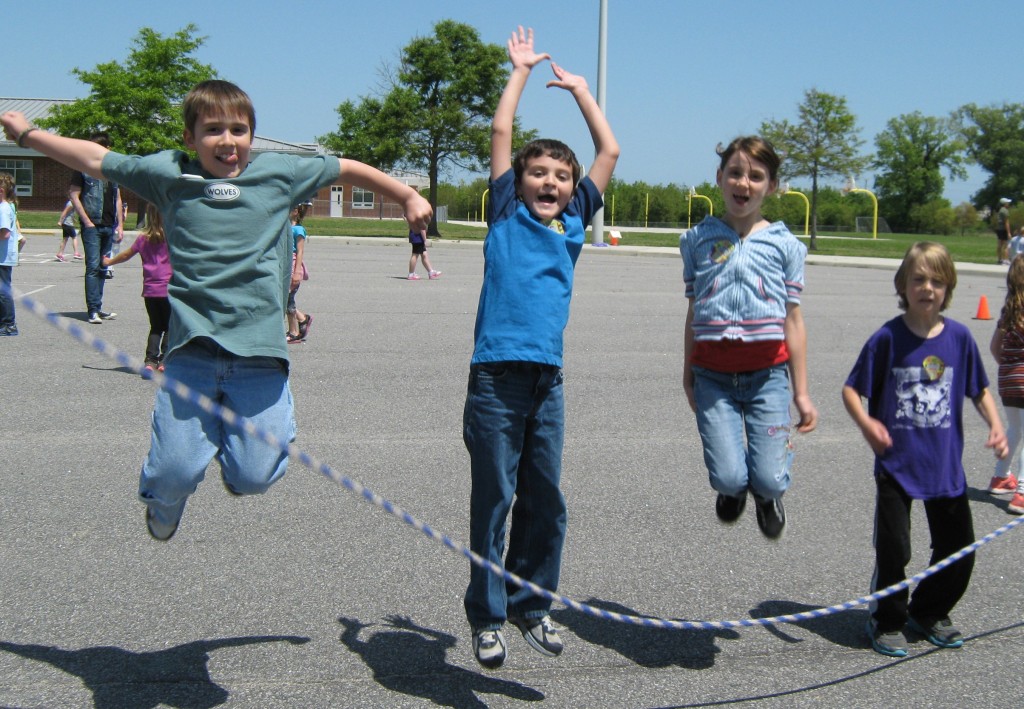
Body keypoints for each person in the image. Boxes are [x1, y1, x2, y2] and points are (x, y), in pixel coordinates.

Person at [1, 79, 432, 542]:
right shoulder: (168, 174)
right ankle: (162, 503)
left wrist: (406, 195)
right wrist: (27, 135)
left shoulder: (279, 173)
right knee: (175, 471)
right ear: (189, 138)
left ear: (251, 135)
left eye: (239, 129)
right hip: (193, 354)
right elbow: (94, 160)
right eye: (212, 130)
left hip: (260, 356)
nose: (227, 141)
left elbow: (346, 168)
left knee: (254, 476)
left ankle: (239, 462)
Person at [462, 27, 619, 670]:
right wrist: (520, 72)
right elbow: (501, 134)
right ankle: (488, 617)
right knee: (495, 498)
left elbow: (608, 148)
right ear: (519, 181)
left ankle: (533, 607)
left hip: (547, 381)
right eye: (538, 173)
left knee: (546, 500)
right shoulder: (506, 212)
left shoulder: (576, 221)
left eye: (560, 175)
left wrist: (582, 91)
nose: (549, 182)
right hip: (496, 380)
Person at [842, 242, 1008, 658]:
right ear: (903, 284)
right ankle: (886, 619)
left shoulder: (959, 338)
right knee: (895, 548)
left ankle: (929, 612)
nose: (927, 288)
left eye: (936, 280)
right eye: (918, 279)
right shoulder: (887, 339)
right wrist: (867, 423)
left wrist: (996, 425)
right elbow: (850, 389)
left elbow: (980, 389)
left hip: (944, 468)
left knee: (959, 549)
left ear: (948, 287)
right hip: (896, 466)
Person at [680, 137, 817, 541]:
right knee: (726, 475)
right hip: (713, 377)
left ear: (772, 186)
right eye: (736, 173)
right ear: (720, 178)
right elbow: (693, 314)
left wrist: (802, 392)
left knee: (771, 479)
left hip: (768, 376)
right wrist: (687, 372)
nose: (744, 183)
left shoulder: (784, 245)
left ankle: (766, 494)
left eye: (756, 176)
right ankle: (733, 489)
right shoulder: (697, 241)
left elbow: (794, 320)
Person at [102, 204, 171, 375]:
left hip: (150, 291)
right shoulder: (172, 238)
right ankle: (165, 359)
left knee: (155, 326)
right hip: (169, 290)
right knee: (171, 327)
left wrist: (109, 262)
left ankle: (150, 361)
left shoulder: (143, 239)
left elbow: (126, 254)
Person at [69, 131, 122, 323]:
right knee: (92, 267)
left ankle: (99, 308)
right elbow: (74, 194)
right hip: (93, 225)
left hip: (109, 225)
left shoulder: (112, 170)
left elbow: (118, 197)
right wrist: (87, 221)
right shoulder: (82, 168)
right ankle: (92, 310)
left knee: (103, 268)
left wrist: (120, 225)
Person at [989, 256, 1024, 513]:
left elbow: (994, 347)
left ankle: (1001, 477)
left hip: (1007, 378)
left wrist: (1009, 366)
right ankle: (1022, 492)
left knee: (1015, 428)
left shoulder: (1008, 310)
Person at [286, 202, 313, 344]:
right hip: (284, 266)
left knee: (287, 300)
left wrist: (297, 272)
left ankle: (294, 332)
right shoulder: (284, 228)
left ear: (295, 212)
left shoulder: (298, 230)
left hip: (292, 267)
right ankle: (302, 319)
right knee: (284, 300)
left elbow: (300, 252)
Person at [0, 172, 20, 336]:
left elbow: (5, 233)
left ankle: (9, 324)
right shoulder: (6, 206)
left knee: (3, 291)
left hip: (2, 257)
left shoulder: (4, 208)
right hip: (3, 256)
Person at [996, 197, 1012, 265]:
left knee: (1000, 244)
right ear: (1004, 204)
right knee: (1006, 245)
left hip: (999, 229)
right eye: (1007, 203)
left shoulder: (1000, 210)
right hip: (1003, 229)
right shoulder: (1005, 211)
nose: (1008, 204)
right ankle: (1005, 259)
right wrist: (1008, 232)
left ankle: (999, 259)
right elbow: (1006, 222)